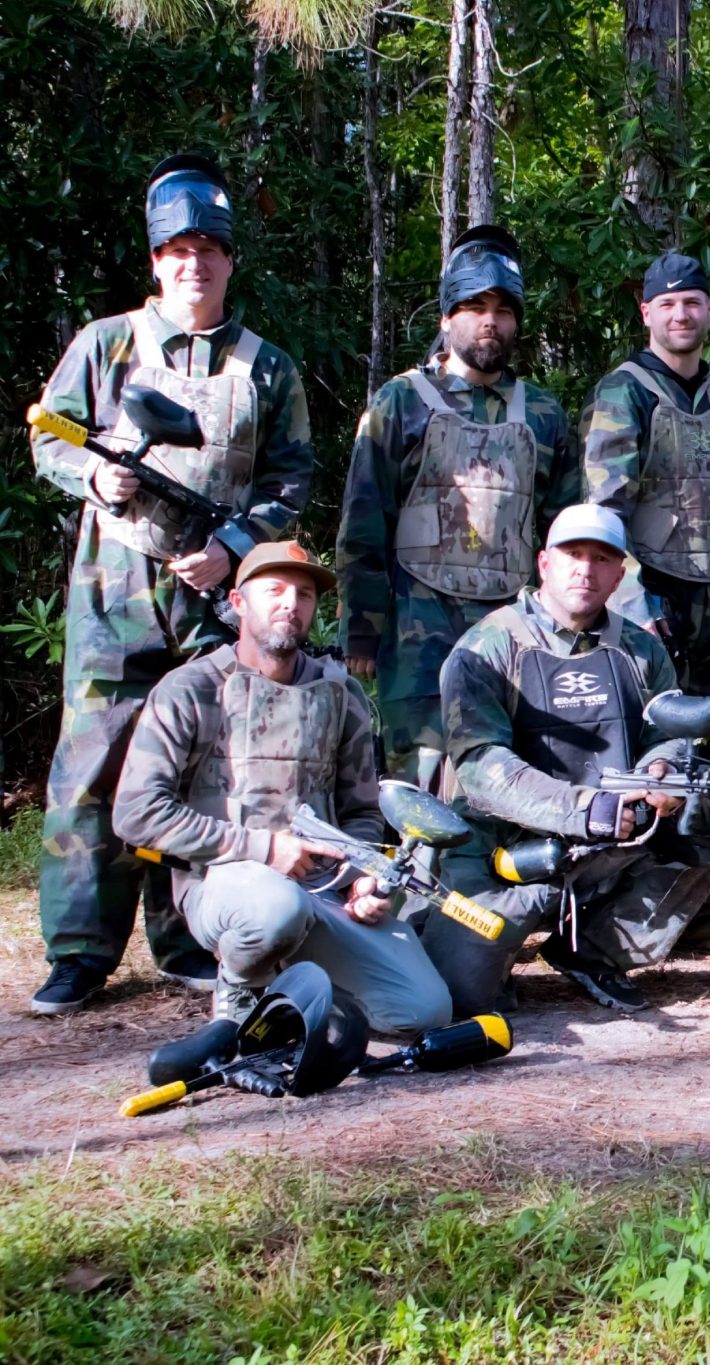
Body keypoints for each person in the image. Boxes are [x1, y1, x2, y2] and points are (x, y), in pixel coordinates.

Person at [30, 153, 315, 1016]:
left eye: (210, 248)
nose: (194, 263)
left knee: (206, 767)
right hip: (116, 587)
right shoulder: (106, 345)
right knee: (95, 760)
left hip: (211, 591)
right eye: (177, 249)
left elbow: (291, 478)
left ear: (231, 259)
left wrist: (234, 546)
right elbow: (48, 439)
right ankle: (79, 950)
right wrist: (93, 475)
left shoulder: (268, 368)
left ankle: (189, 936)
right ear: (156, 261)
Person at [110, 542, 451, 1035]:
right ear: (238, 602)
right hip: (223, 884)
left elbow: (361, 812)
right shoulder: (190, 688)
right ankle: (241, 985)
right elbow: (138, 812)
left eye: (305, 593)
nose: (291, 602)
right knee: (275, 908)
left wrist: (359, 880)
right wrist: (265, 848)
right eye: (274, 590)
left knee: (422, 1010)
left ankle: (296, 986)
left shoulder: (341, 694)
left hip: (320, 891)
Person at [427, 505, 710, 1015]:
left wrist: (663, 774)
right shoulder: (487, 647)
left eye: (601, 558)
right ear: (544, 563)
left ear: (618, 575)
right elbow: (480, 765)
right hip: (501, 852)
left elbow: (667, 733)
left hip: (612, 838)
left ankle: (590, 950)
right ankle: (513, 925)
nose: (585, 569)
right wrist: (584, 808)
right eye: (572, 554)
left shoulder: (641, 651)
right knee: (459, 994)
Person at [336, 225, 580, 796]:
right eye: (473, 307)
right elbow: (364, 519)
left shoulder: (543, 414)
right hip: (417, 634)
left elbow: (563, 530)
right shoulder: (400, 402)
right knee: (419, 790)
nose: (488, 322)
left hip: (518, 633)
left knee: (517, 781)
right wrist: (362, 631)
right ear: (447, 318)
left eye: (501, 309)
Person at [580, 250, 710, 694]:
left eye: (692, 303)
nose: (681, 315)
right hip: (652, 607)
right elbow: (603, 513)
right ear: (647, 314)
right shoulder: (623, 393)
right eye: (667, 304)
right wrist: (633, 606)